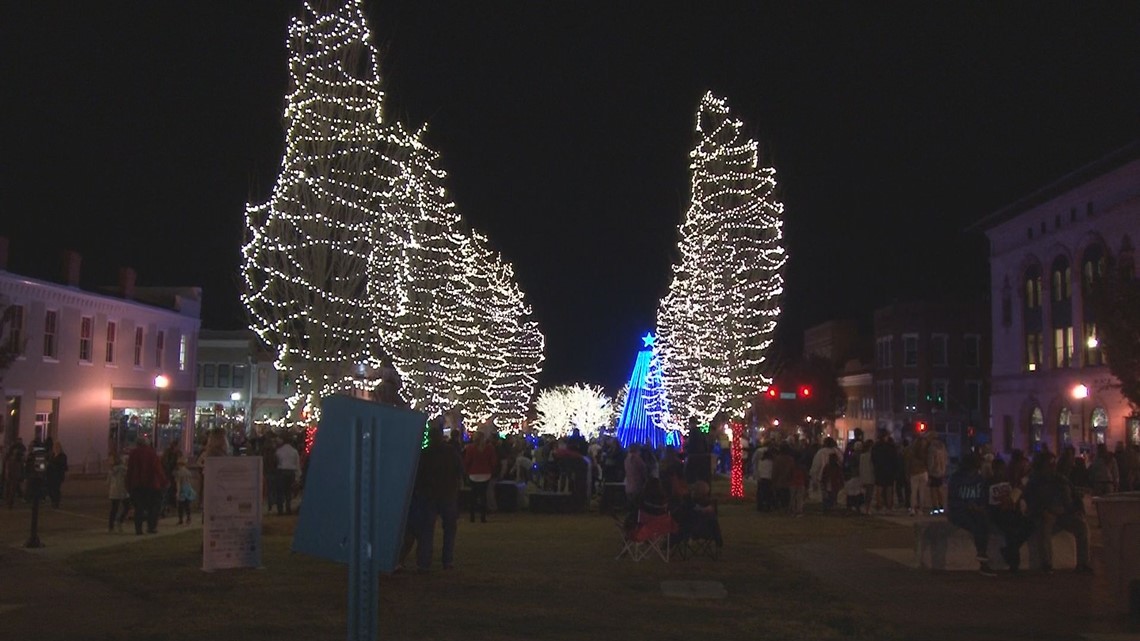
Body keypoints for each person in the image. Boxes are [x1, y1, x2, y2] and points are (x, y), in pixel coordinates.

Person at [1024, 451, 1092, 573]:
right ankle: (1046, 564)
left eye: (1053, 464)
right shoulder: (1034, 482)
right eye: (1049, 464)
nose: (1052, 467)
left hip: (1064, 514)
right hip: (1045, 514)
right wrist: (1044, 510)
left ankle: (1083, 563)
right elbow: (1031, 501)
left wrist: (1076, 509)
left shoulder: (1060, 479)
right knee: (1045, 527)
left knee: (1081, 526)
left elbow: (1074, 496)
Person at [412, 424, 464, 571]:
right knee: (449, 529)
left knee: (426, 530)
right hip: (447, 493)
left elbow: (418, 475)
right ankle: (447, 560)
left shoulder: (425, 453)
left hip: (428, 495)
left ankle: (424, 562)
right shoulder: (451, 453)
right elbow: (460, 470)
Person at [946, 453, 996, 576]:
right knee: (975, 525)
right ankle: (982, 556)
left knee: (984, 522)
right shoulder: (956, 479)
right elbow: (952, 500)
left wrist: (979, 507)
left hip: (975, 510)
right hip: (959, 511)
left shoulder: (979, 479)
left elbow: (983, 497)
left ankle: (982, 555)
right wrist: (967, 505)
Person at [986, 458, 1033, 573]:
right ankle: (1014, 565)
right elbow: (988, 503)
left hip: (1011, 511)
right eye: (998, 470)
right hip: (998, 513)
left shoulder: (1009, 482)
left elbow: (1015, 496)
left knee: (1030, 525)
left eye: (1002, 469)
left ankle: (1009, 551)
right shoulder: (988, 483)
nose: (1001, 472)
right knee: (1011, 531)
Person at [126, 437, 166, 535]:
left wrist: (128, 484)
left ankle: (138, 529)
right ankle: (151, 527)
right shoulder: (152, 453)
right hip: (152, 484)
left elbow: (130, 469)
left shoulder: (133, 454)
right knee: (154, 507)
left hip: (137, 484)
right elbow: (157, 469)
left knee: (139, 507)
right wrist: (163, 481)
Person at [462, 431, 498, 523]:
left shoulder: (470, 448)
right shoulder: (489, 448)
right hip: (486, 473)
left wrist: (466, 471)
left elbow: (467, 461)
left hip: (473, 474)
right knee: (483, 496)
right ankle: (483, 517)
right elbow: (493, 461)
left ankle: (472, 517)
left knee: (473, 496)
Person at [871, 431, 897, 512]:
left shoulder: (876, 447)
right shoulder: (891, 447)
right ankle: (889, 505)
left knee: (879, 487)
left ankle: (879, 505)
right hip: (889, 470)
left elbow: (873, 458)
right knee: (889, 488)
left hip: (879, 469)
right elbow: (894, 458)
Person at [904, 434, 929, 516]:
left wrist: (907, 473)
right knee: (922, 492)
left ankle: (913, 509)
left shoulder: (911, 452)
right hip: (923, 472)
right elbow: (928, 462)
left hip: (914, 473)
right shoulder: (925, 451)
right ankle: (921, 509)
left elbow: (908, 463)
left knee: (913, 492)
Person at [275, 436, 300, 515]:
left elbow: (276, 462)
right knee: (288, 491)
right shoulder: (294, 451)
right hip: (291, 472)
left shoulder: (279, 451)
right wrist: (298, 476)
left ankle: (280, 510)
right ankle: (288, 508)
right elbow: (297, 464)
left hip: (282, 471)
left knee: (280, 491)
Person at [107, 451, 130, 532]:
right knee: (127, 507)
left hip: (114, 491)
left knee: (114, 509)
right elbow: (128, 478)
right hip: (123, 490)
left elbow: (107, 482)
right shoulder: (124, 469)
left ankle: (111, 526)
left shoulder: (111, 470)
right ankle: (120, 521)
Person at [926, 436, 948, 515]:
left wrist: (929, 470)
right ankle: (941, 507)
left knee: (933, 491)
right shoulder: (942, 448)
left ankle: (935, 508)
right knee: (940, 490)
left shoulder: (932, 449)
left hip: (934, 472)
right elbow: (946, 460)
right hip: (941, 471)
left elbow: (931, 461)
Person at [45, 440, 68, 508]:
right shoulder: (52, 455)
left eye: (57, 447)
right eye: (54, 447)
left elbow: (62, 465)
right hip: (50, 475)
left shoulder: (62, 456)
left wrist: (51, 464)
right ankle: (53, 500)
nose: (55, 448)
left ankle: (55, 502)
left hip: (58, 475)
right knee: (49, 489)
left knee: (55, 489)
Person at [5, 436, 26, 508]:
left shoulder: (13, 456)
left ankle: (9, 502)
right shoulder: (16, 457)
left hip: (14, 473)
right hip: (15, 473)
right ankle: (10, 502)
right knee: (12, 488)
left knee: (11, 488)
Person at [174, 454, 195, 525]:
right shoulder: (188, 472)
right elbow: (190, 482)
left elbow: (178, 483)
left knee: (180, 506)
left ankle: (181, 519)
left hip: (182, 490)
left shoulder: (178, 473)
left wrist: (177, 492)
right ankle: (189, 518)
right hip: (188, 489)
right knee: (187, 505)